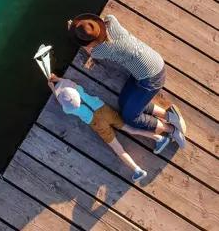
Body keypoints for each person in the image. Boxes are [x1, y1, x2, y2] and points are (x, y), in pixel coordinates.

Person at [67, 13, 186, 148]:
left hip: (151, 79)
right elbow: (105, 21)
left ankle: (171, 129)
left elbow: (89, 50)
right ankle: (170, 116)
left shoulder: (100, 50)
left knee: (130, 118)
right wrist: (79, 28)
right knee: (123, 102)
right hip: (153, 63)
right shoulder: (111, 21)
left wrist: (75, 34)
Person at [48, 73, 171, 182]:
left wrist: (52, 87)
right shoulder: (77, 89)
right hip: (104, 110)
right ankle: (159, 138)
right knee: (131, 129)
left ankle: (137, 170)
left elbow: (59, 99)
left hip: (96, 123)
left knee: (118, 148)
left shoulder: (68, 109)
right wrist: (57, 79)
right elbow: (69, 83)